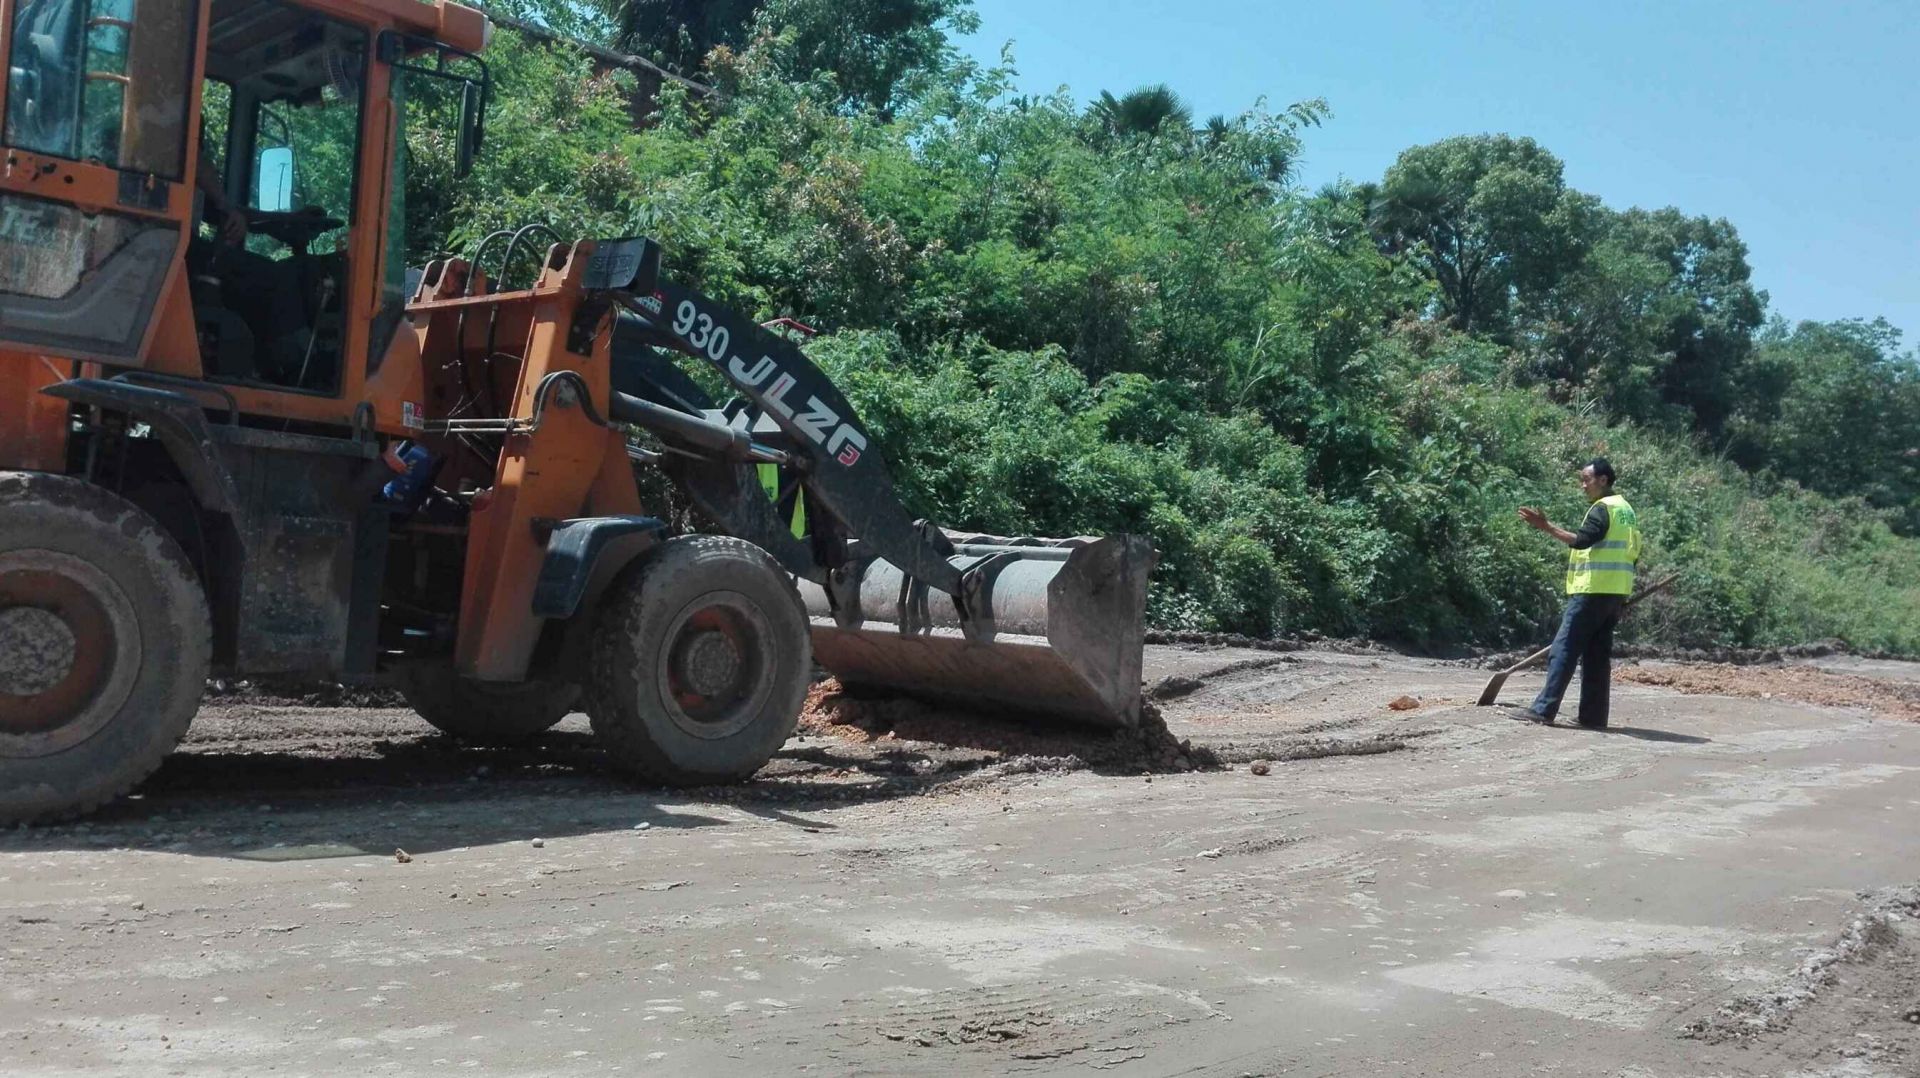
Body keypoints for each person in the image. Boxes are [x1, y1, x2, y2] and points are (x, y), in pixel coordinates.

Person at [1510, 458, 1642, 728]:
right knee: (1597, 655)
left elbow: (1582, 541)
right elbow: (1632, 553)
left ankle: (1543, 710)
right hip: (1614, 593)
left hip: (1592, 591)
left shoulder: (1603, 509)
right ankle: (1593, 717)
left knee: (1564, 648)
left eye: (1586, 479)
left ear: (1603, 480)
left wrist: (1546, 527)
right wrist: (1621, 597)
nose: (1583, 485)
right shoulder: (1626, 510)